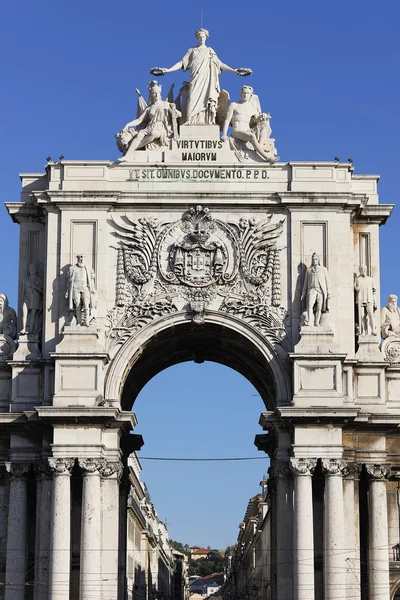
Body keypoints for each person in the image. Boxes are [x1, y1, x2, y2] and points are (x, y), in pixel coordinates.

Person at [154, 29, 250, 125]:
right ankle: (190, 120)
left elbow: (220, 64)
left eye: (203, 37)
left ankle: (207, 121)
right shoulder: (191, 51)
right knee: (192, 99)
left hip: (208, 81)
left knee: (207, 100)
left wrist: (234, 70)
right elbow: (182, 63)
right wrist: (168, 70)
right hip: (196, 79)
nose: (201, 39)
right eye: (199, 37)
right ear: (197, 38)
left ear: (206, 37)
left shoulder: (210, 51)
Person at [118, 81, 181, 162]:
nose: (156, 95)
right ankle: (127, 156)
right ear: (151, 94)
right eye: (154, 93)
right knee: (139, 134)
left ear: (160, 92)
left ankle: (133, 148)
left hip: (161, 127)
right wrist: (128, 124)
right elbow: (139, 120)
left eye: (158, 93)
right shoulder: (149, 108)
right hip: (150, 127)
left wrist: (175, 111)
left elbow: (179, 114)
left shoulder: (166, 104)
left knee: (154, 133)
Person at [222, 85, 278, 162]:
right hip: (237, 131)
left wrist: (263, 116)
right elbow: (227, 120)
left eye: (247, 93)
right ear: (241, 94)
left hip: (247, 130)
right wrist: (224, 135)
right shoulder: (234, 105)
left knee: (264, 124)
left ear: (251, 95)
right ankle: (267, 157)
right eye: (244, 93)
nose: (245, 95)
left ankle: (260, 146)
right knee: (251, 136)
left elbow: (257, 121)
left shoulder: (252, 108)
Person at [65, 255, 96, 327]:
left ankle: (86, 320)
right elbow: (68, 281)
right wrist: (67, 291)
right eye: (80, 259)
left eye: (82, 259)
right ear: (77, 259)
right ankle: (79, 322)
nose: (81, 260)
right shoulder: (72, 268)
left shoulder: (88, 268)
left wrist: (93, 289)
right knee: (77, 305)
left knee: (86, 304)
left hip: (85, 288)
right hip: (75, 288)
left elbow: (91, 280)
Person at [301, 253, 330, 327]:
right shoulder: (309, 270)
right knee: (310, 305)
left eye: (316, 259)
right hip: (312, 290)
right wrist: (303, 293)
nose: (314, 261)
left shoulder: (323, 269)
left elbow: (327, 282)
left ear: (318, 260)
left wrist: (329, 292)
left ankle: (317, 322)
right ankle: (310, 321)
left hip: (320, 290)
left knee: (319, 307)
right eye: (313, 259)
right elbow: (305, 283)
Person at [20, 264, 43, 335]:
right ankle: (24, 328)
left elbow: (42, 291)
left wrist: (35, 287)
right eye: (30, 269)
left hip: (35, 297)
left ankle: (31, 330)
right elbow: (23, 292)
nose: (32, 270)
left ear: (36, 270)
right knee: (24, 313)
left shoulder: (39, 280)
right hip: (27, 297)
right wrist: (22, 301)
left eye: (33, 269)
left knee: (33, 314)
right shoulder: (26, 280)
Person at [354, 265, 377, 335]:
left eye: (364, 269)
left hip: (369, 299)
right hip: (360, 299)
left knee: (371, 315)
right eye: (362, 269)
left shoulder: (370, 279)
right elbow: (355, 287)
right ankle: (363, 331)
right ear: (360, 270)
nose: (363, 270)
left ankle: (373, 330)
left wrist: (375, 302)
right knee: (361, 316)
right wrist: (356, 288)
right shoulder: (357, 279)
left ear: (366, 270)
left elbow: (374, 292)